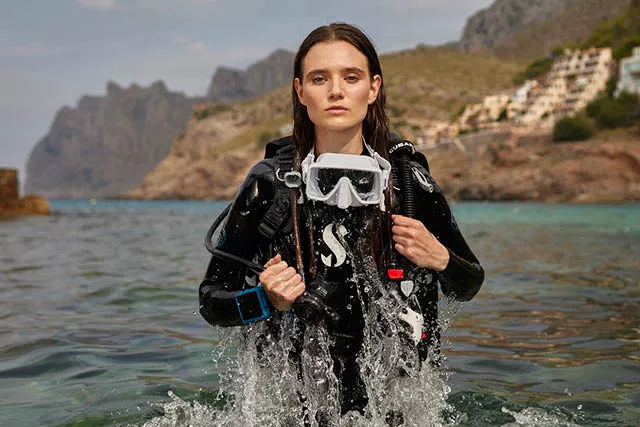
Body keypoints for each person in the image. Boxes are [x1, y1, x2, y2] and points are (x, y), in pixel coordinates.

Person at [199, 22, 484, 425]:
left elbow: (470, 282)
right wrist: (266, 300)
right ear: (301, 91)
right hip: (292, 410)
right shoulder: (269, 184)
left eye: (351, 77)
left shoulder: (410, 185)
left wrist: (440, 258)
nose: (336, 90)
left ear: (373, 88)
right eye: (320, 78)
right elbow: (211, 301)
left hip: (396, 410)